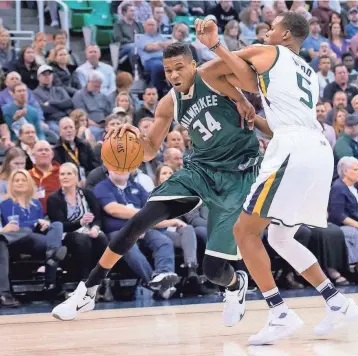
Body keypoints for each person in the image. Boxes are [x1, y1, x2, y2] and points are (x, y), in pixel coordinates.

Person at [52, 42, 262, 327]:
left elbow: (249, 74)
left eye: (179, 68)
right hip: (199, 169)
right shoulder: (169, 102)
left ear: (192, 65)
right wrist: (135, 137)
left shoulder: (211, 75)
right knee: (139, 221)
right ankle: (88, 290)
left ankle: (236, 285)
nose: (174, 75)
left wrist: (244, 99)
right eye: (167, 70)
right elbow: (150, 150)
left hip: (237, 175)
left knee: (213, 270)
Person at [194, 12, 358, 345]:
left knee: (243, 231)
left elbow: (209, 73)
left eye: (272, 28)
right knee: (281, 238)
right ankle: (337, 302)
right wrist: (247, 100)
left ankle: (279, 312)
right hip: (318, 149)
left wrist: (215, 48)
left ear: (285, 35)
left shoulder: (266, 51)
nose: (267, 31)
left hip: (293, 150)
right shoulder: (309, 72)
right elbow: (259, 94)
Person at [0, 169, 66, 295]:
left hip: (36, 239)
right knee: (26, 231)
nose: (20, 183)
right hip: (17, 240)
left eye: (23, 180)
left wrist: (43, 225)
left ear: (29, 183)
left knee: (56, 225)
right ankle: (53, 256)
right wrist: (34, 223)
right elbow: (14, 227)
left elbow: (39, 225)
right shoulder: (5, 204)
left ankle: (52, 252)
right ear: (11, 184)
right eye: (16, 180)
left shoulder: (36, 204)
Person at [47, 163, 110, 294]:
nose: (65, 177)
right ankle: (85, 280)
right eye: (62, 174)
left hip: (88, 230)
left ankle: (101, 279)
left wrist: (95, 228)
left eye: (69, 174)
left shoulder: (87, 194)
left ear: (76, 177)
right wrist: (80, 222)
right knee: (82, 239)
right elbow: (59, 225)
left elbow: (97, 216)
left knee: (102, 238)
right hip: (67, 234)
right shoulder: (54, 199)